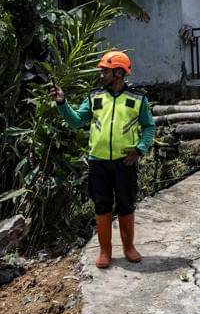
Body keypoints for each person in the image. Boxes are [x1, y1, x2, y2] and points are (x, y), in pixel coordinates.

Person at [51, 51, 156, 269]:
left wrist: (140, 149)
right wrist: (62, 103)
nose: (101, 75)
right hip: (98, 162)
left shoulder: (138, 99)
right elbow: (76, 121)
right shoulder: (94, 97)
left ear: (118, 72)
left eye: (105, 71)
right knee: (102, 205)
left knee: (126, 205)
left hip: (125, 162)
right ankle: (104, 251)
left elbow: (149, 126)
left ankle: (128, 248)